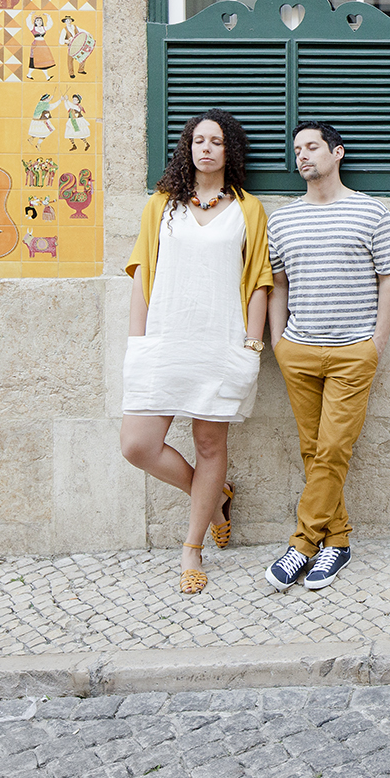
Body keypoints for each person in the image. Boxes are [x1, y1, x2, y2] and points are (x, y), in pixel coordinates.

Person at [121, 111, 271, 596]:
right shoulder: (162, 205)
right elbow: (143, 273)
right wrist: (137, 341)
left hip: (220, 341)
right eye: (198, 140)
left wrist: (251, 346)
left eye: (217, 141)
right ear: (187, 148)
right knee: (137, 445)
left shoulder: (249, 210)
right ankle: (214, 497)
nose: (206, 148)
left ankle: (192, 548)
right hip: (165, 340)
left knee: (210, 447)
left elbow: (259, 283)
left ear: (231, 152)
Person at [265, 120, 390, 594]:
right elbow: (277, 285)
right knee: (314, 451)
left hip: (352, 354)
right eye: (297, 149)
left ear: (337, 153)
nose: (302, 155)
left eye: (313, 147)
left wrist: (374, 345)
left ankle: (302, 544)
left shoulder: (371, 213)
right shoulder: (281, 220)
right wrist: (279, 342)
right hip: (298, 351)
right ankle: (337, 541)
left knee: (334, 448)